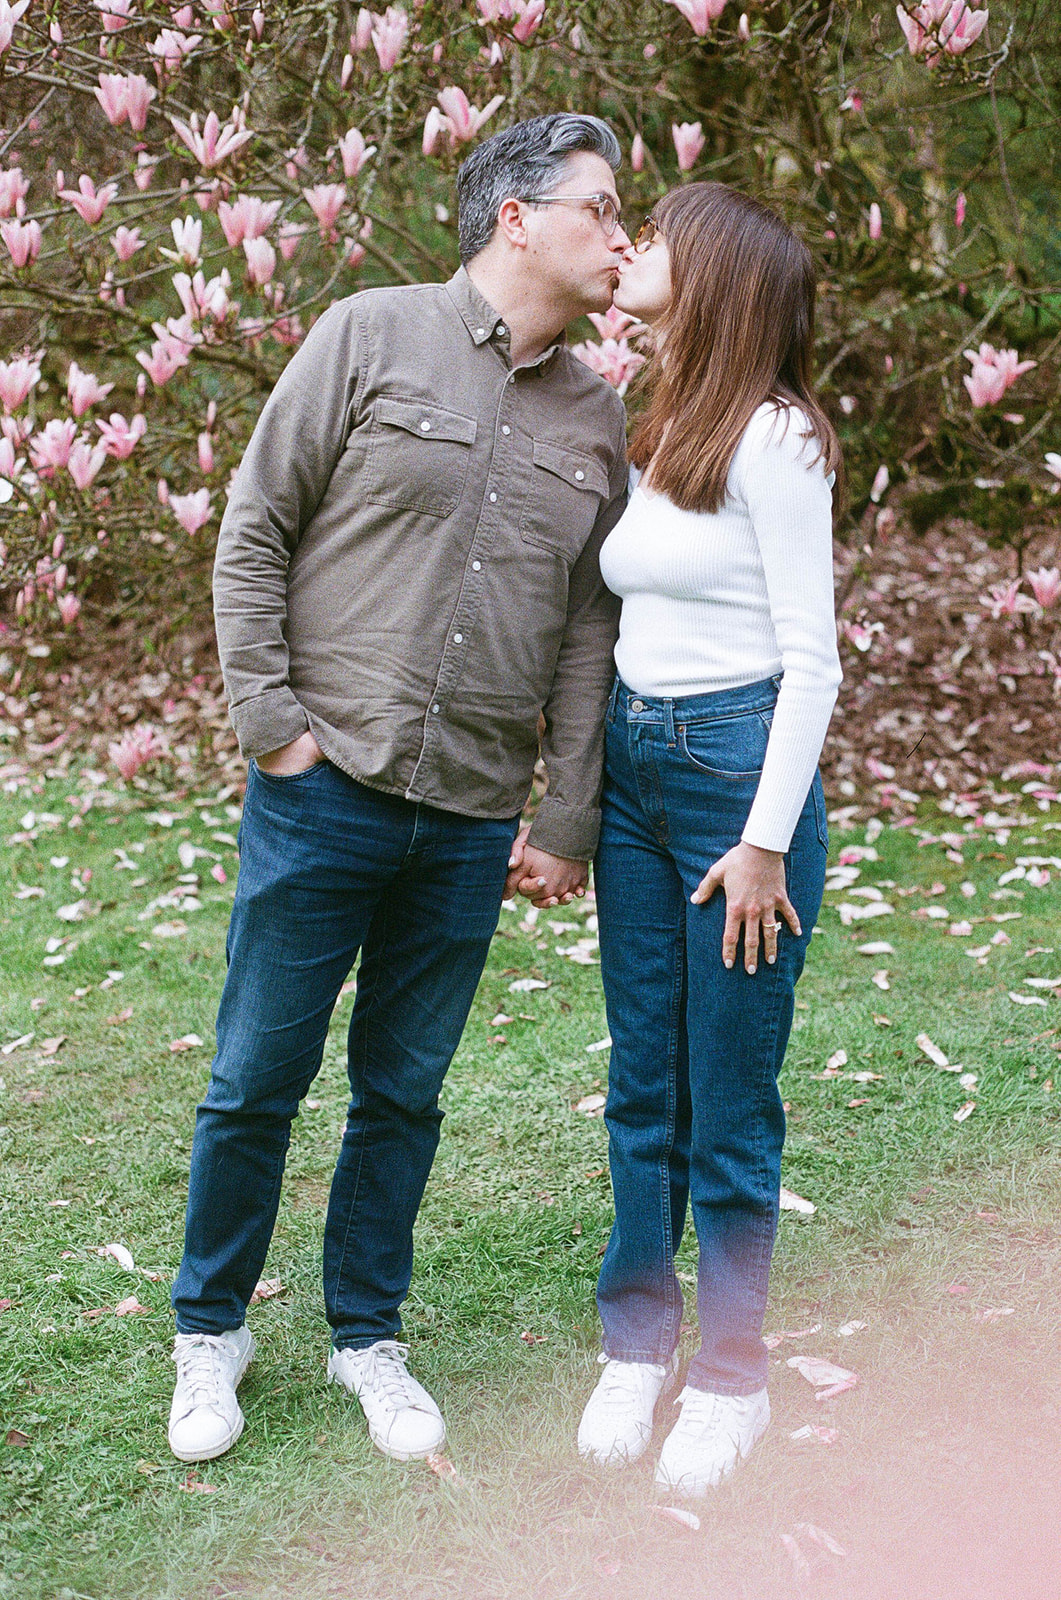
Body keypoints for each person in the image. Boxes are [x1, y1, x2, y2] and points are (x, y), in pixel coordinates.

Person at [167, 113, 632, 1466]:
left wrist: (562, 815)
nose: (620, 236)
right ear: (514, 219)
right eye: (598, 209)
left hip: (475, 815)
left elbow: (590, 632)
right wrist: (275, 730)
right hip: (326, 783)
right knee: (255, 1075)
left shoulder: (595, 416)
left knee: (405, 1089)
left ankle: (365, 1334)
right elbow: (254, 529)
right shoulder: (367, 333)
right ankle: (212, 1331)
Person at [575, 183, 843, 1496]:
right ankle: (638, 1341)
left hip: (737, 783)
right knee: (641, 1081)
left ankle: (729, 1376)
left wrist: (765, 842)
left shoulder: (774, 440)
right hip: (635, 776)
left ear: (718, 275)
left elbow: (812, 663)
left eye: (659, 234)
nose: (634, 248)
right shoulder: (670, 413)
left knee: (726, 1099)